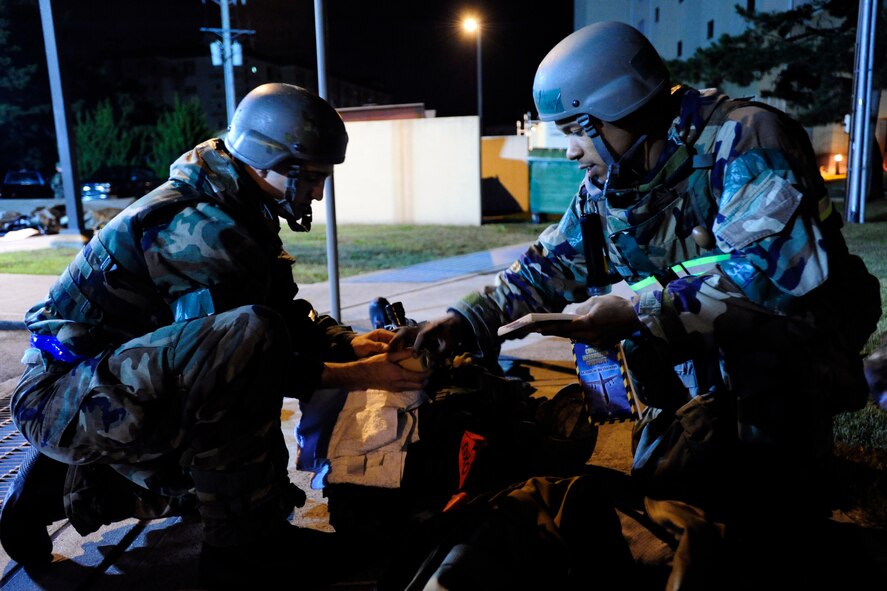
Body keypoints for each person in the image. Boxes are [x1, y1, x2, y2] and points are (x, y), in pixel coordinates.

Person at [396, 21, 882, 587]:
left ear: (620, 111)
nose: (571, 151)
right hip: (690, 371)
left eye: (578, 130)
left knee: (769, 530)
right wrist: (465, 318)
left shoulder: (746, 139)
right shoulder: (610, 181)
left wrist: (636, 307)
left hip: (781, 366)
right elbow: (552, 262)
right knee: (667, 502)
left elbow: (774, 276)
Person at [0, 83, 430, 589]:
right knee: (239, 393)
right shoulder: (200, 228)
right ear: (273, 161)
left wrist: (346, 343)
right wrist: (355, 376)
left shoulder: (234, 205)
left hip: (96, 386)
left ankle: (57, 484)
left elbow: (281, 312)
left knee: (219, 458)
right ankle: (244, 554)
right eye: (312, 177)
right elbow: (241, 354)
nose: (317, 192)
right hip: (63, 400)